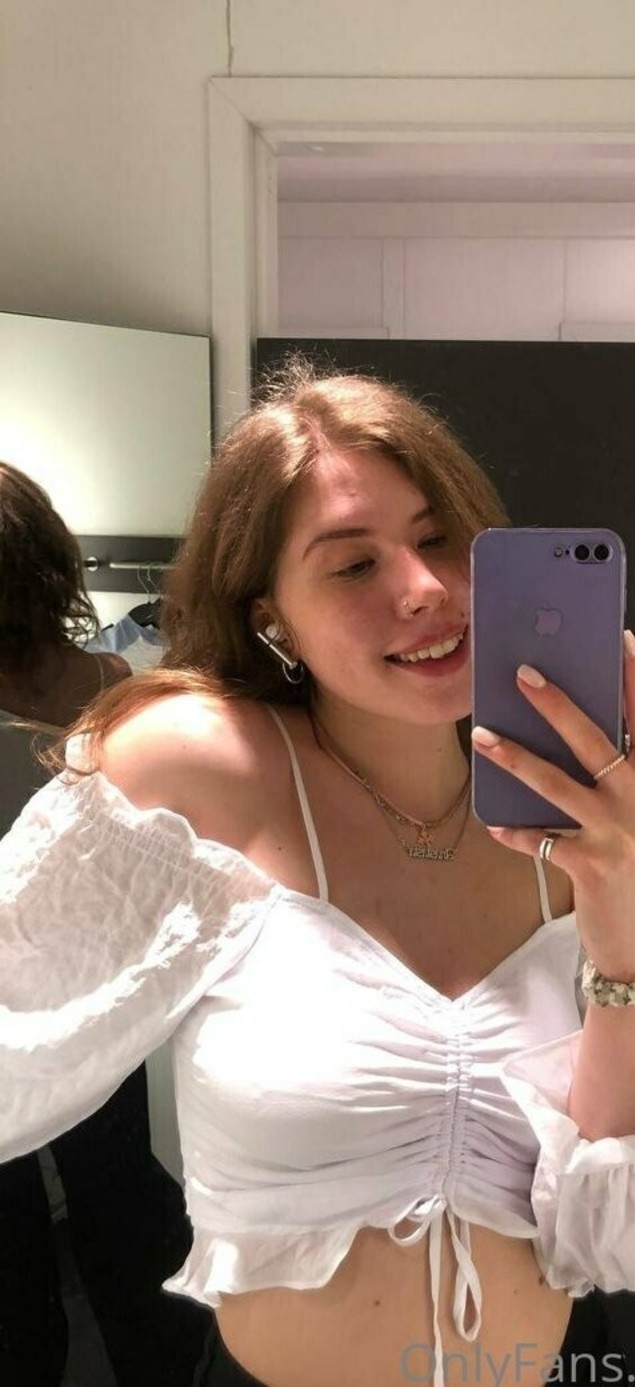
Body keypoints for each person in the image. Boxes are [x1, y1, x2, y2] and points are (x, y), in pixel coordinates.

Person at [0, 367, 635, 1387]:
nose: (424, 588)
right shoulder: (198, 771)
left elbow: (631, 1240)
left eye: (441, 540)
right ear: (272, 616)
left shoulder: (572, 827)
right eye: (353, 564)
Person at [0, 460, 211, 1385]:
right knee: (125, 1203)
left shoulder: (144, 706)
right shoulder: (145, 696)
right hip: (124, 1012)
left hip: (52, 1019)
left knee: (18, 1254)